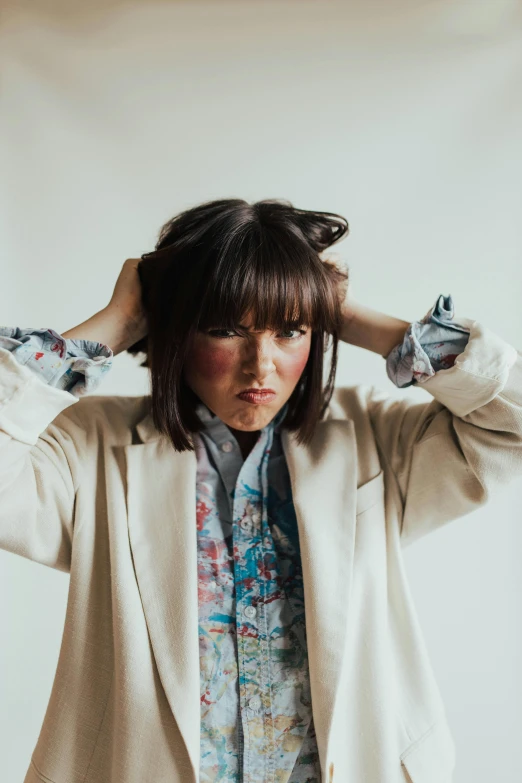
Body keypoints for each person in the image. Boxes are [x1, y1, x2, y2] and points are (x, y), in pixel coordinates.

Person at [1, 197, 521, 783]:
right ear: (176, 331)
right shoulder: (87, 449)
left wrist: (354, 317)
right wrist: (116, 323)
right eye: (225, 330)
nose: (261, 366)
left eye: (290, 331)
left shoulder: (377, 439)